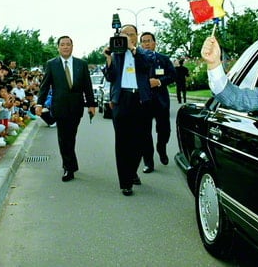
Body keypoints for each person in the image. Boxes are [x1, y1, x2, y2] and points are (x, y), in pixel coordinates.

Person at [103, 24, 154, 196]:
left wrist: (133, 49)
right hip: (122, 100)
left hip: (141, 99)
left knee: (141, 140)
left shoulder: (144, 52)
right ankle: (125, 182)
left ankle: (132, 172)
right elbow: (110, 77)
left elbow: (146, 66)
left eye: (131, 34)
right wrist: (108, 58)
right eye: (124, 34)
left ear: (136, 36)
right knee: (123, 142)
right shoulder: (116, 54)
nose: (127, 37)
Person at [36, 36, 96, 182]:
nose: (65, 47)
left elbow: (87, 86)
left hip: (76, 106)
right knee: (64, 138)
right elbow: (44, 86)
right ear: (58, 47)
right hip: (59, 106)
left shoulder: (81, 64)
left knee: (71, 136)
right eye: (62, 45)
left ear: (72, 46)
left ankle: (70, 164)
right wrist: (39, 103)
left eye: (68, 44)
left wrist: (91, 105)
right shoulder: (52, 64)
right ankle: (68, 168)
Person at [139, 32, 176, 171]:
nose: (146, 44)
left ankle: (161, 147)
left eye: (149, 41)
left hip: (161, 100)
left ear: (155, 43)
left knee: (164, 129)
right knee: (144, 133)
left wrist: (159, 82)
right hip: (144, 101)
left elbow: (173, 75)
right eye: (143, 41)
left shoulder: (163, 59)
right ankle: (148, 162)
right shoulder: (138, 60)